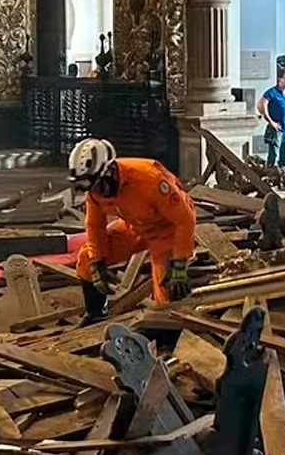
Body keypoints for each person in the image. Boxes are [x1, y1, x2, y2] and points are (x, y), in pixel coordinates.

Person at [68, 138, 195, 324]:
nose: (96, 193)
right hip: (134, 225)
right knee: (87, 258)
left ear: (110, 172)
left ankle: (171, 334)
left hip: (167, 228)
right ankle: (95, 315)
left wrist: (179, 264)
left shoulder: (149, 179)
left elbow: (184, 220)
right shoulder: (95, 191)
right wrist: (97, 261)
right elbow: (95, 227)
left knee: (166, 286)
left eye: (97, 187)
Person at [257, 67, 285, 190]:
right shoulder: (272, 92)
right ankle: (269, 182)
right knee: (274, 155)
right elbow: (261, 105)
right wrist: (270, 121)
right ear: (279, 79)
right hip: (277, 130)